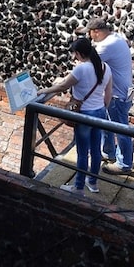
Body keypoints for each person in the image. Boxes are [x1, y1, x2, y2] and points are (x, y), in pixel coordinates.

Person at [38, 37, 112, 195]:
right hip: (100, 112)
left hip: (84, 114)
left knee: (83, 152)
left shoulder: (81, 68)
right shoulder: (105, 67)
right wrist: (101, 107)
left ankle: (78, 187)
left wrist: (44, 90)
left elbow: (64, 85)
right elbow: (108, 93)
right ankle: (92, 182)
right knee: (96, 150)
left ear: (78, 53)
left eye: (75, 54)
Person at [83, 17, 134, 176]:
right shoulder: (116, 38)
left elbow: (85, 65)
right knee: (107, 123)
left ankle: (124, 164)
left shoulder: (106, 46)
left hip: (118, 95)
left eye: (90, 34)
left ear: (96, 32)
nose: (90, 38)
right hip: (120, 91)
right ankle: (108, 152)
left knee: (120, 129)